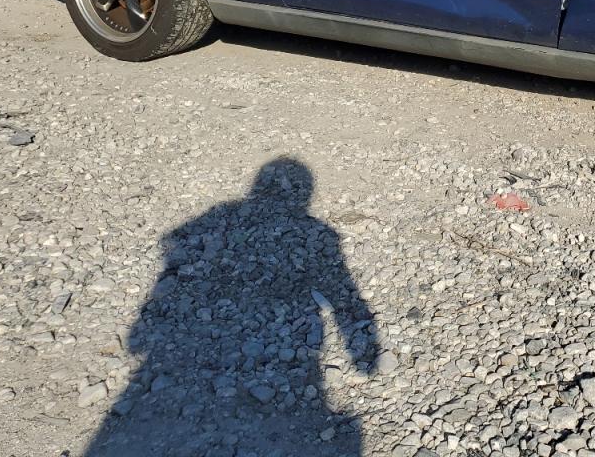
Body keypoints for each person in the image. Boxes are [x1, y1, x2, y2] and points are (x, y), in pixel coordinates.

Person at [84, 157, 377, 456]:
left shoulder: (225, 214)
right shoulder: (322, 232)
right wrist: (361, 346)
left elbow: (171, 241)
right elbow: (343, 289)